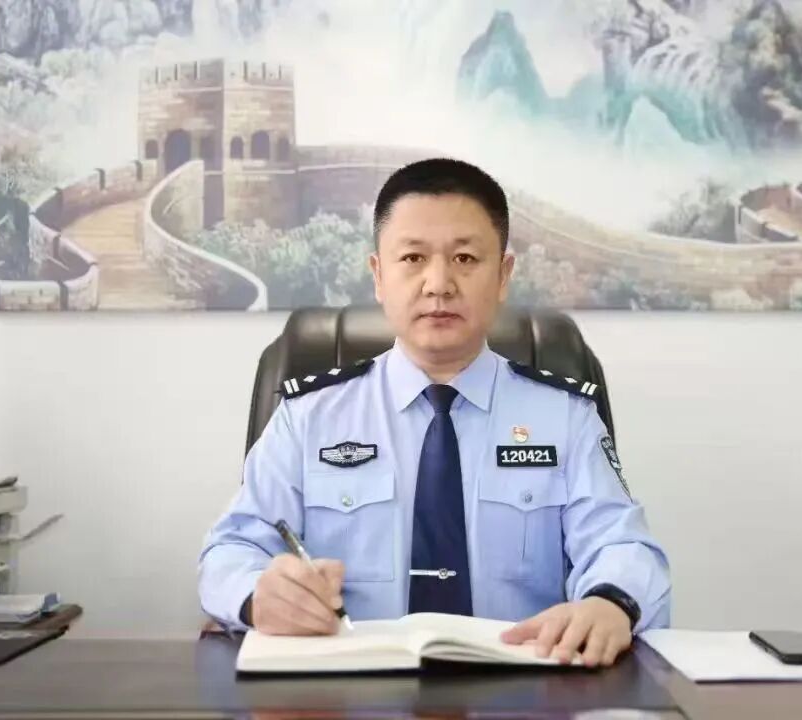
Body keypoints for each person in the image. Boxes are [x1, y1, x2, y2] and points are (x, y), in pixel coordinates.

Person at [199, 158, 671, 667]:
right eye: (413, 258)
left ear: (503, 275)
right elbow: (229, 551)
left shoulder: (566, 417)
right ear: (379, 276)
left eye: (465, 258)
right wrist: (257, 595)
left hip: (523, 685)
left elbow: (623, 546)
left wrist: (610, 603)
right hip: (352, 688)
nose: (439, 283)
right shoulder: (309, 417)